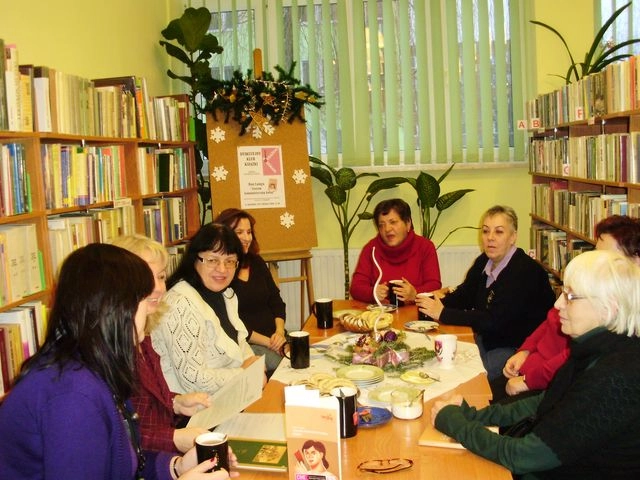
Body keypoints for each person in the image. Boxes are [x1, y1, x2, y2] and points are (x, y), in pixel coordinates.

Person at [0, 243, 237, 479]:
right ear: (118, 308)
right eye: (144, 299)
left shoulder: (93, 365)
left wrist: (176, 467)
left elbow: (121, 460)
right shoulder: (72, 395)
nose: (150, 310)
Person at [431, 250, 640, 478]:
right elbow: (541, 402)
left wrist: (454, 423)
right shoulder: (593, 348)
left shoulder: (615, 375)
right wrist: (472, 416)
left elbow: (524, 456)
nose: (558, 304)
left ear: (609, 308)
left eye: (570, 296)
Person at [495, 215, 640, 401]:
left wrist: (528, 380)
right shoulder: (587, 285)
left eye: (604, 256)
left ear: (635, 261)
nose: (594, 261)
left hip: (544, 382)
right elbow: (550, 320)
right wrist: (525, 350)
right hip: (530, 365)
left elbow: (572, 357)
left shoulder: (610, 308)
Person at [417, 205, 555, 380]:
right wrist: (434, 303)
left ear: (513, 237)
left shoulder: (525, 272)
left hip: (518, 348)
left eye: (499, 232)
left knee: (466, 378)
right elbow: (465, 295)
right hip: (489, 338)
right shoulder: (485, 260)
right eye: (485, 231)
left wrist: (443, 313)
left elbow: (493, 320)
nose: (490, 238)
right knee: (439, 361)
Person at [111, 234, 210, 453]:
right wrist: (174, 438)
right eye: (147, 278)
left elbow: (149, 403)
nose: (159, 288)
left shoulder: (143, 335)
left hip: (164, 458)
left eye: (162, 277)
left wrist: (176, 403)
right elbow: (120, 436)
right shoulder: (113, 350)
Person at [152, 223, 264, 395]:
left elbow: (240, 343)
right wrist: (243, 373)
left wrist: (253, 365)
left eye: (230, 261)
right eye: (212, 260)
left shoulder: (225, 294)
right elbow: (193, 380)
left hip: (231, 395)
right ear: (194, 259)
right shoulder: (180, 304)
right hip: (195, 407)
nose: (222, 269)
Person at [215, 208, 286, 377]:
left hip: (275, 338)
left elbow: (276, 301)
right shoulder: (221, 272)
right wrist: (271, 343)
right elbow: (232, 324)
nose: (247, 238)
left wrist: (280, 333)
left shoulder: (256, 261)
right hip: (248, 345)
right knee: (285, 367)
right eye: (239, 232)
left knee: (305, 356)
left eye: (249, 232)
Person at [350, 198, 441, 304]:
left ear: (408, 223)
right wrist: (373, 292)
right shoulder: (371, 249)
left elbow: (434, 285)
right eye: (381, 225)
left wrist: (415, 293)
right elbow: (356, 288)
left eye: (393, 222)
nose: (387, 229)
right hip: (381, 311)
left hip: (415, 311)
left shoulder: (425, 246)